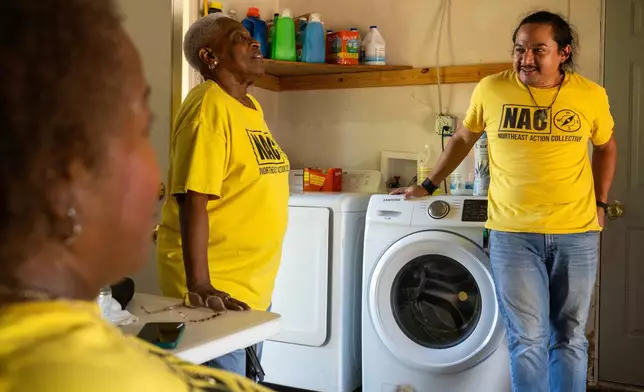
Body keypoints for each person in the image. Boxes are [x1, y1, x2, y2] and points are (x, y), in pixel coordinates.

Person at [0, 1, 274, 391]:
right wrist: (200, 282)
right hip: (224, 285)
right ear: (65, 174)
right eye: (139, 131)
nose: (158, 184)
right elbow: (193, 196)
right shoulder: (101, 378)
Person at [393, 11, 617, 392]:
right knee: (527, 339)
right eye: (519, 49)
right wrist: (429, 185)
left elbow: (606, 147)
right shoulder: (491, 89)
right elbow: (463, 138)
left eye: (537, 50)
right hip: (512, 235)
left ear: (563, 52)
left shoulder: (590, 94)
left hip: (576, 233)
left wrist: (601, 202)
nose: (525, 59)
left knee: (570, 335)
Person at [156, 13, 290, 375]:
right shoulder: (208, 106)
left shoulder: (250, 107)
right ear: (209, 57)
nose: (254, 43)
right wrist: (200, 285)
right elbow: (193, 197)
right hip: (215, 289)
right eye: (239, 38)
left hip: (250, 284)